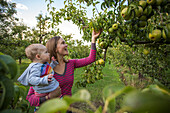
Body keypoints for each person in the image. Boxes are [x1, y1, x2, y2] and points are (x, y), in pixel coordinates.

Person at [26, 30, 102, 111]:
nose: (66, 45)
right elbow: (30, 98)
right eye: (62, 43)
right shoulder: (43, 69)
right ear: (55, 49)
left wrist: (93, 39)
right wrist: (48, 97)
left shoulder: (71, 63)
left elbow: (91, 59)